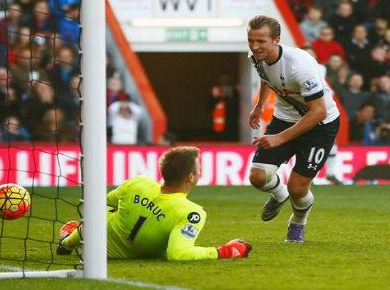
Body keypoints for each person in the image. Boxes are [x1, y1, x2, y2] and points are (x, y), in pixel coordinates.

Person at [57, 146, 252, 260]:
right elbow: (178, 254)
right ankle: (72, 237)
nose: (200, 171)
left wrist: (137, 206)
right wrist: (224, 251)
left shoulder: (138, 183)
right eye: (199, 167)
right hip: (131, 255)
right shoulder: (191, 212)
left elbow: (97, 204)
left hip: (98, 248)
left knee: (100, 211)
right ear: (191, 176)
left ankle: (67, 242)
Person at [247, 15, 340, 242]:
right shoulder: (255, 57)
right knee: (258, 177)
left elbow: (317, 111)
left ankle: (298, 223)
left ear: (277, 40)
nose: (255, 46)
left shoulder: (300, 65)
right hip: (284, 119)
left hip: (320, 124)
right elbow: (267, 78)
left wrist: (280, 138)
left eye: (261, 41)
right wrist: (259, 107)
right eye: (251, 40)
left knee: (297, 189)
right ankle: (278, 195)